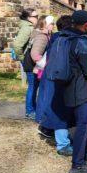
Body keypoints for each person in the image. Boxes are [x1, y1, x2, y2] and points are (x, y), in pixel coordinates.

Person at [63, 10, 87, 173]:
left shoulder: (64, 36)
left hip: (69, 87)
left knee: (84, 123)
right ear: (86, 25)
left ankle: (85, 153)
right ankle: (77, 164)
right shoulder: (81, 42)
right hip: (81, 90)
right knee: (83, 126)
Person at [36, 15, 76, 155]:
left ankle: (52, 131)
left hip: (52, 77)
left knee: (56, 109)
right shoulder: (66, 40)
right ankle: (63, 144)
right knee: (60, 111)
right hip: (60, 79)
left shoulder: (55, 39)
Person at [12, 8, 38, 120]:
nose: (37, 18)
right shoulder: (27, 28)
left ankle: (32, 109)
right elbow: (17, 45)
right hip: (28, 61)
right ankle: (29, 111)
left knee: (34, 86)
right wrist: (22, 58)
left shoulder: (27, 26)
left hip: (29, 60)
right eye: (35, 16)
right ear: (29, 18)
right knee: (32, 86)